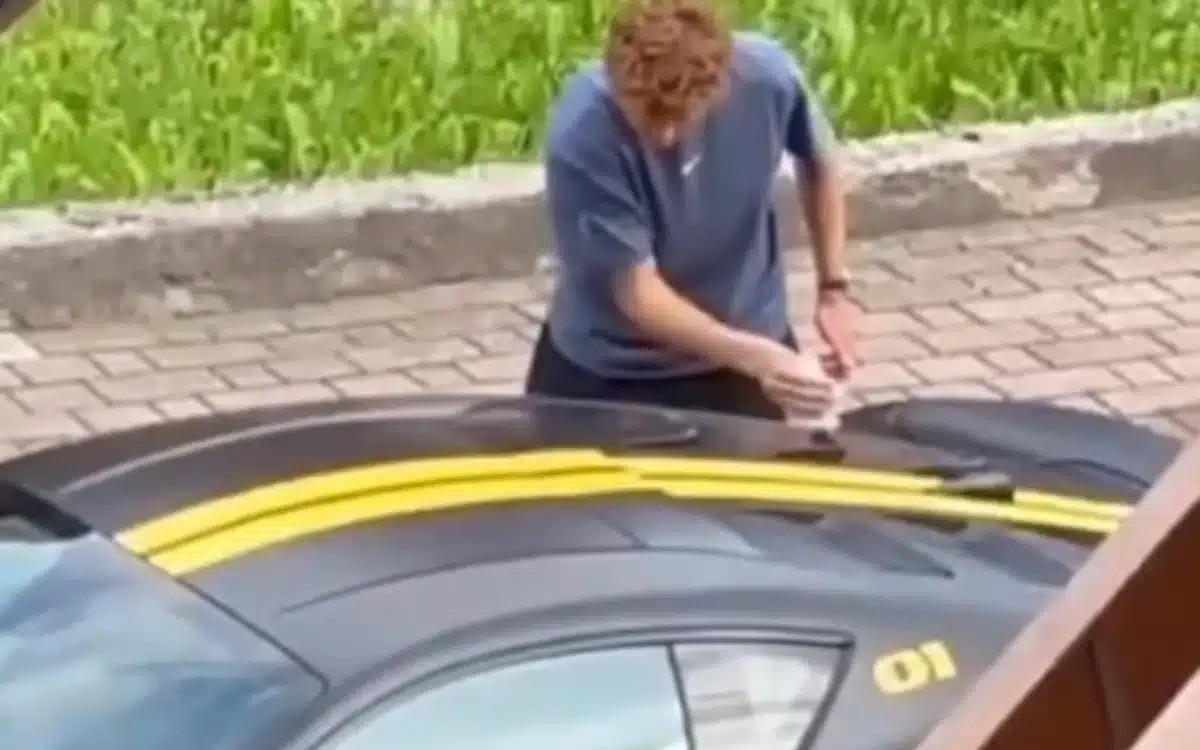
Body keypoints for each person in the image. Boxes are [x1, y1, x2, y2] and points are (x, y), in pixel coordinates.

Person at [524, 0, 857, 422]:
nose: (664, 134)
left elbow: (820, 160)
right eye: (647, 116)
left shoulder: (768, 78)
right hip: (615, 372)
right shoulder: (583, 134)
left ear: (721, 83)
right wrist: (761, 358)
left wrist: (833, 290)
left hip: (744, 354)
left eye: (679, 116)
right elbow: (638, 294)